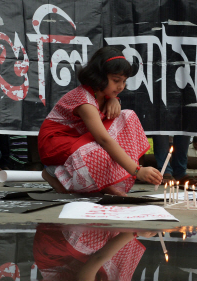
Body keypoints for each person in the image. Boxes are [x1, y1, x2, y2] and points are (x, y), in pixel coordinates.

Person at [38, 47, 162, 196]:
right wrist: (137, 171)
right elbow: (103, 139)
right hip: (56, 143)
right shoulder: (84, 100)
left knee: (128, 117)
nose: (121, 86)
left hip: (81, 140)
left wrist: (114, 99)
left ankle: (103, 185)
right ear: (99, 77)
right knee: (98, 155)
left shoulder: (105, 95)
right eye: (116, 80)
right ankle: (54, 173)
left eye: (124, 81)